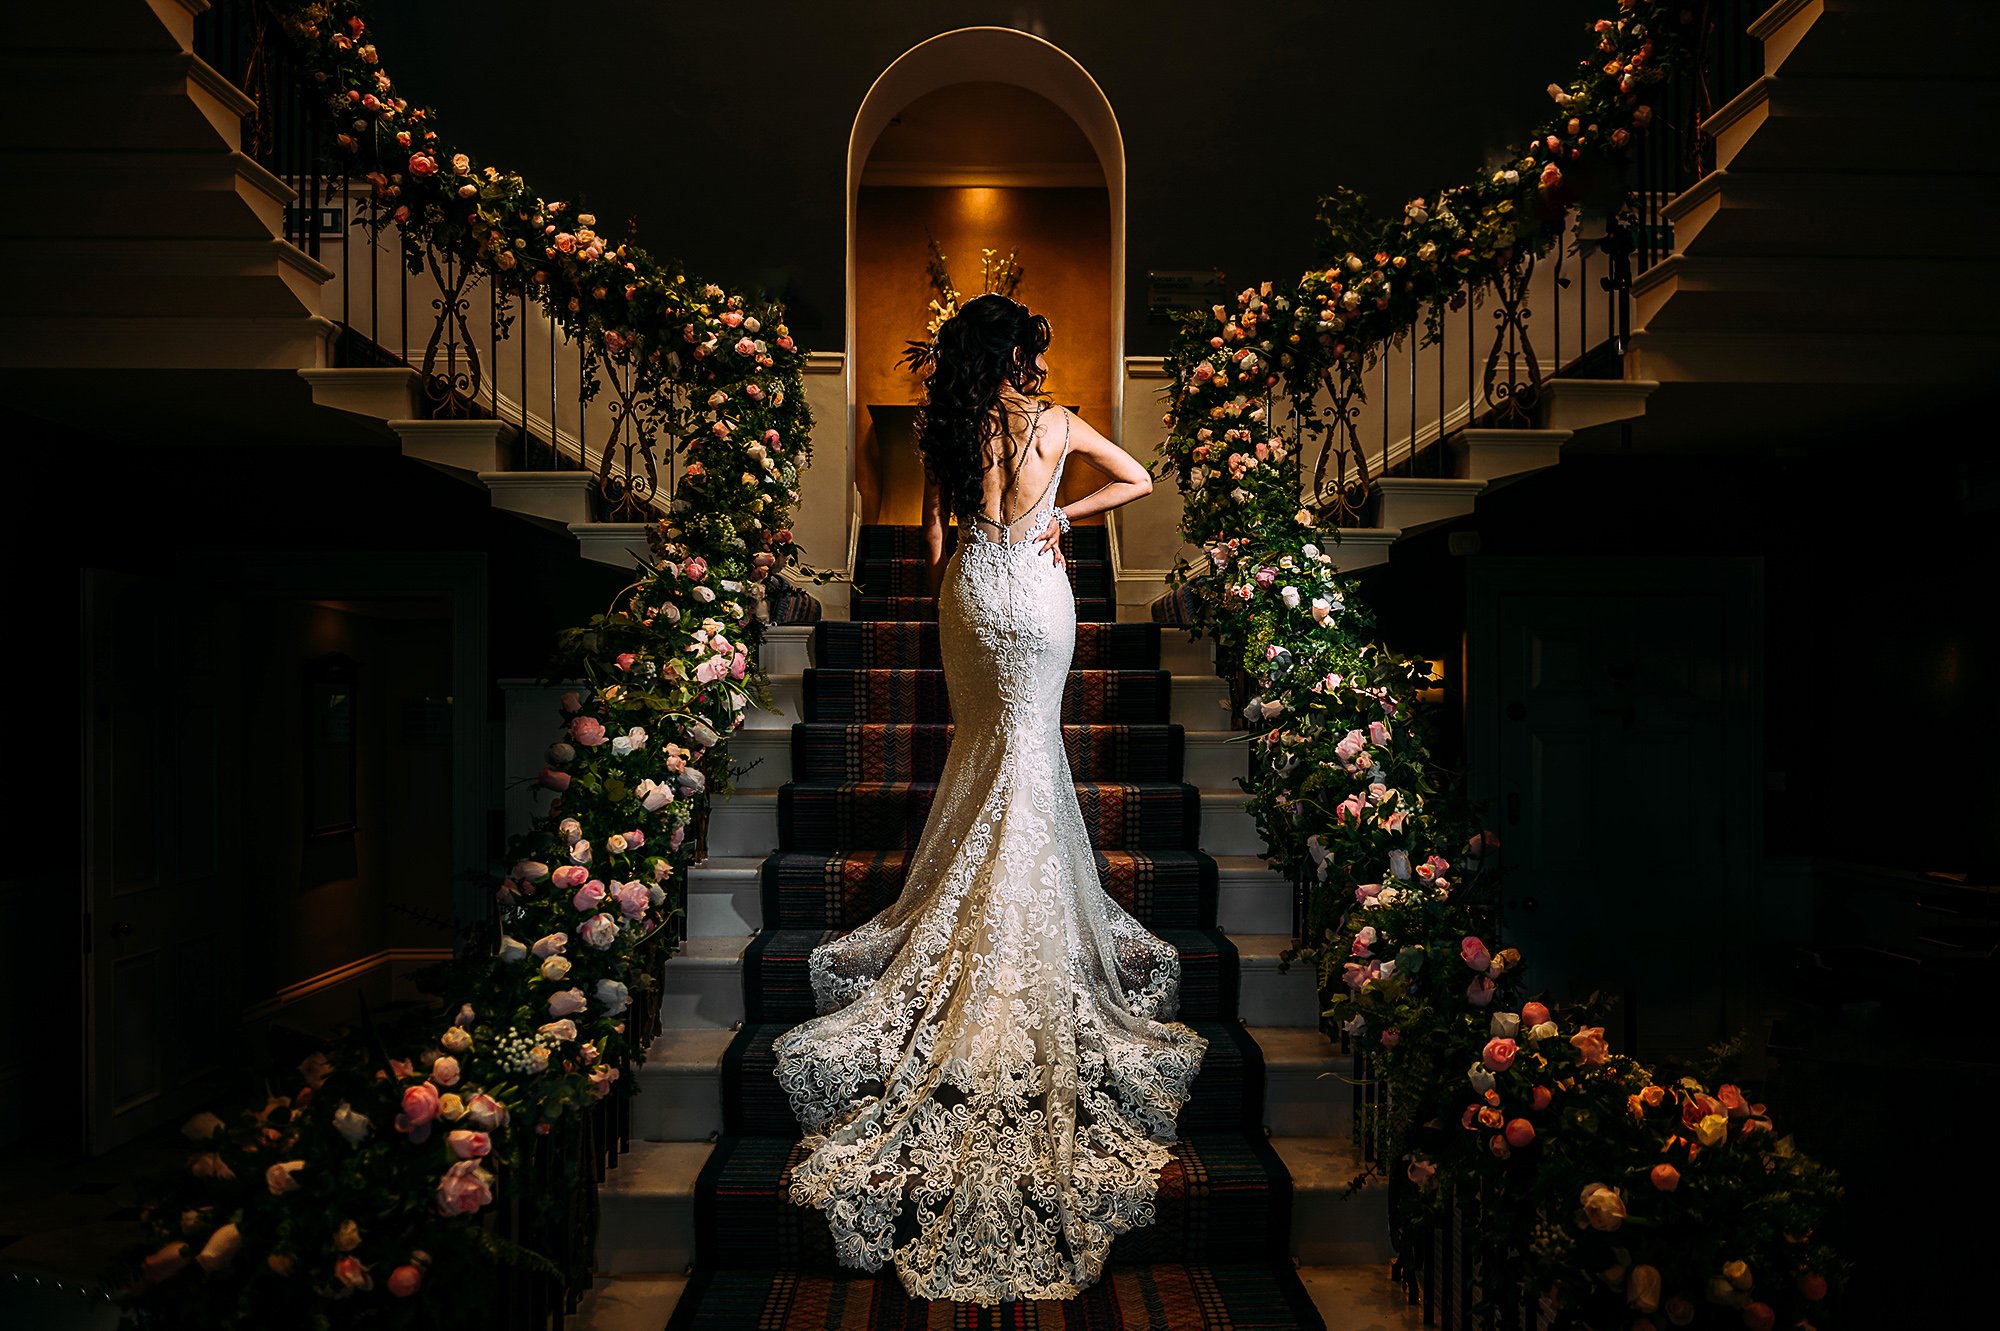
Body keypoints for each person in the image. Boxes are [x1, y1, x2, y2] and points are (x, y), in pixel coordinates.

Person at [770, 293, 1208, 1303]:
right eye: (1032, 350)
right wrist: (1060, 515)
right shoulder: (1054, 425)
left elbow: (931, 537)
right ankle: (1024, 919)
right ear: (1018, 354)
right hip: (1040, 591)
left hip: (973, 588)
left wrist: (953, 588)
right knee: (1027, 747)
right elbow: (1136, 478)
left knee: (985, 743)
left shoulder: (949, 426)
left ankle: (973, 910)